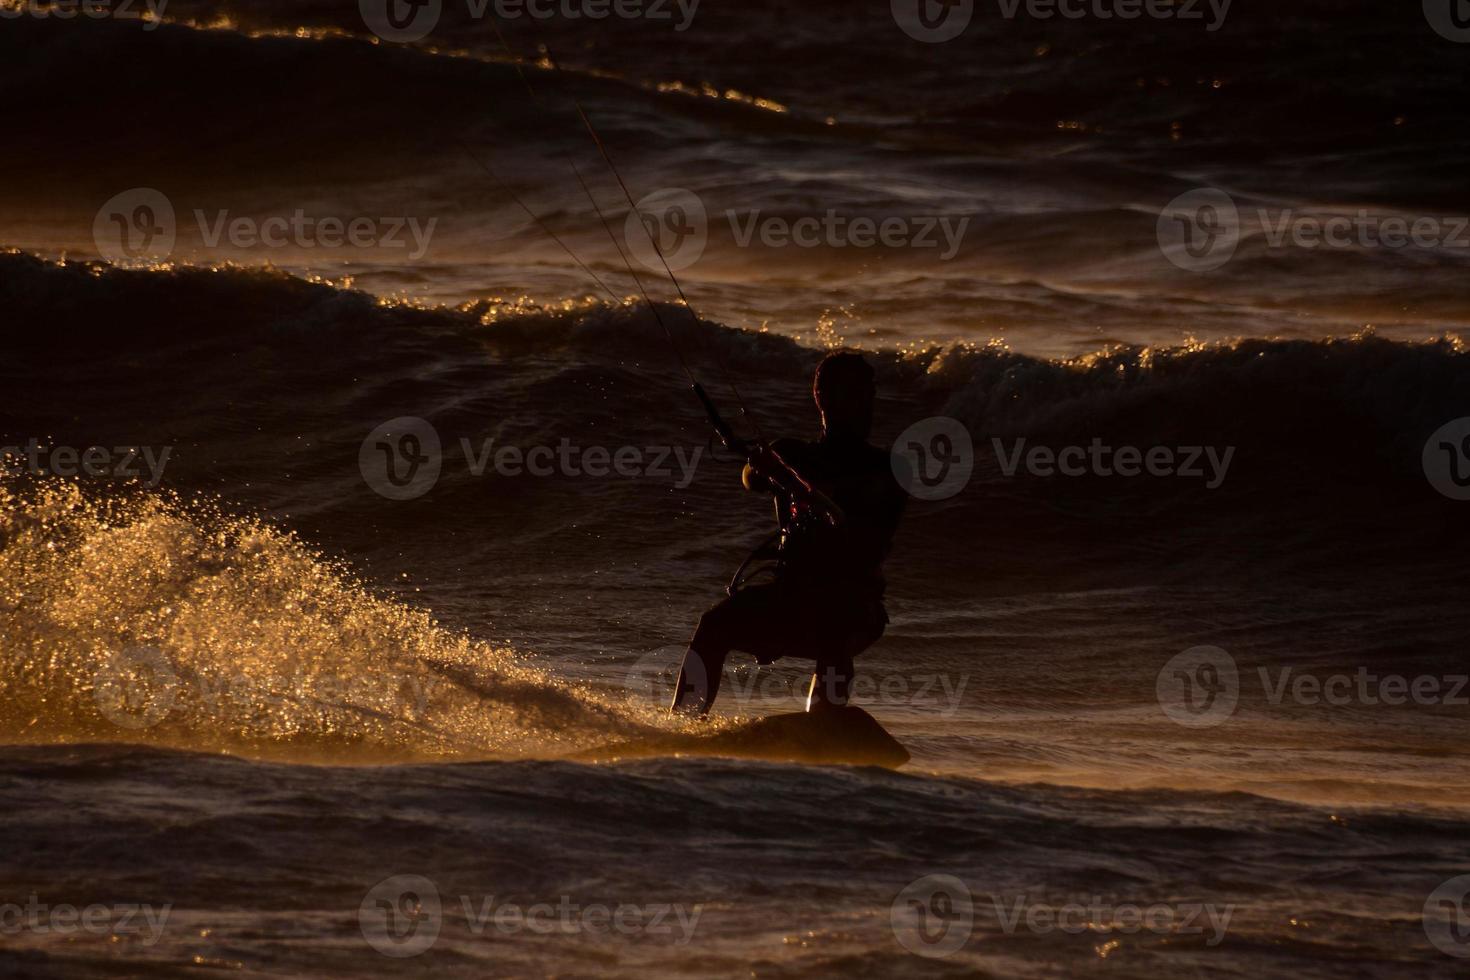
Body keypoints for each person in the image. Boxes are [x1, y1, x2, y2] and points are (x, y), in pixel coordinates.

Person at [671, 351, 907, 716]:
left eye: (868, 394)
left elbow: (868, 509)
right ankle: (684, 723)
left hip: (856, 607)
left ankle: (824, 723)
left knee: (834, 632)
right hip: (790, 597)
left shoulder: (888, 467)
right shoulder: (792, 454)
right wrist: (763, 466)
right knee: (715, 624)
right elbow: (751, 480)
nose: (865, 405)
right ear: (822, 398)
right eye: (853, 394)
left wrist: (804, 483)